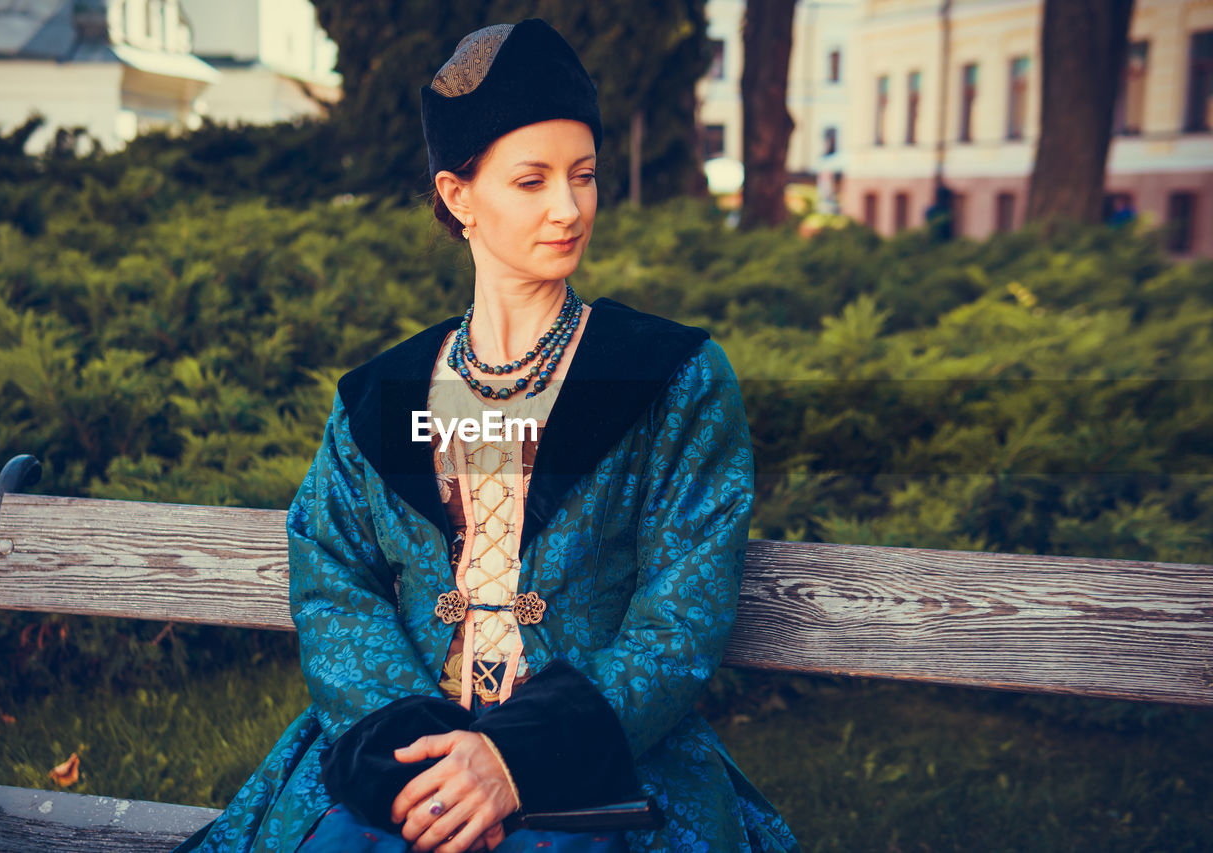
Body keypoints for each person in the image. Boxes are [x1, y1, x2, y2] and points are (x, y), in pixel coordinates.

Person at [175, 19, 799, 853]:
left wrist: (513, 756)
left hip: (607, 759)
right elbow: (332, 579)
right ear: (459, 195)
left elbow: (681, 616)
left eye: (583, 176)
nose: (569, 207)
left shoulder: (671, 378)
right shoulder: (379, 398)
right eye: (531, 180)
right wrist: (423, 760)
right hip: (407, 759)